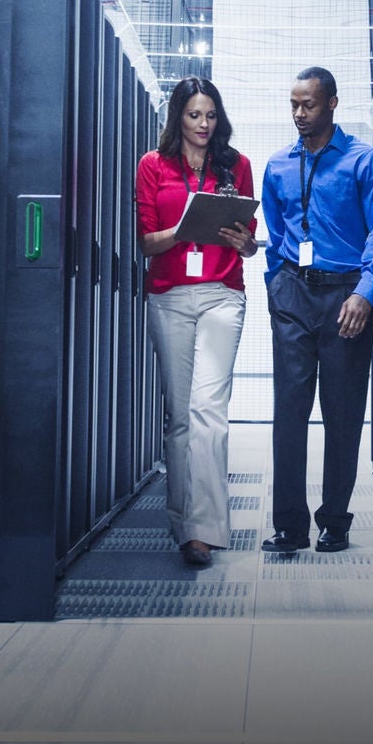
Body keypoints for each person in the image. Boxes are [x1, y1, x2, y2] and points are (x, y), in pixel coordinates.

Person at [259, 66, 373, 554]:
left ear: (332, 104)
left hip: (347, 298)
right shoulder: (278, 166)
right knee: (288, 413)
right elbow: (277, 235)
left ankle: (335, 521)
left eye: (309, 104)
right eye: (294, 105)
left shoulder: (366, 162)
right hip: (294, 296)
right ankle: (289, 526)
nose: (299, 114)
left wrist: (366, 293)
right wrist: (277, 282)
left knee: (343, 414)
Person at [135, 77, 260, 567]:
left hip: (221, 294)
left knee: (210, 410)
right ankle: (183, 522)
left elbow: (248, 238)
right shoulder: (153, 165)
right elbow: (146, 242)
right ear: (177, 118)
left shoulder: (237, 166)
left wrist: (245, 243)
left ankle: (204, 532)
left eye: (210, 115)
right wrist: (184, 229)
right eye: (194, 116)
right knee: (181, 415)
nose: (204, 125)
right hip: (168, 295)